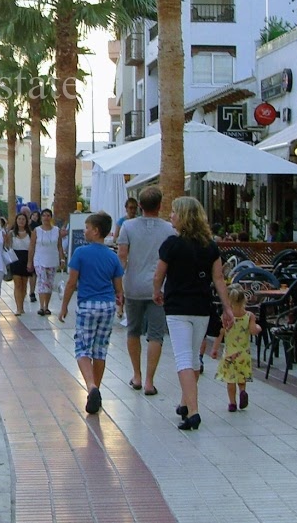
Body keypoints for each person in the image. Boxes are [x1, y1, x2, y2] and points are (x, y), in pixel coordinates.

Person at [153, 196, 234, 432]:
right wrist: (227, 307)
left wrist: (156, 291)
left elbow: (159, 274)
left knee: (183, 358)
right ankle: (184, 403)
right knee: (194, 357)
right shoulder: (210, 246)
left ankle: (194, 411)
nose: (171, 216)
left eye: (174, 212)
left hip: (178, 307)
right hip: (202, 307)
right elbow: (218, 279)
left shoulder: (171, 244)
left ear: (184, 216)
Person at [58, 211, 125, 414]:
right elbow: (118, 287)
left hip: (87, 305)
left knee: (82, 349)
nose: (84, 231)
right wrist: (119, 303)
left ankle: (91, 386)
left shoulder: (80, 253)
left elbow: (71, 283)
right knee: (100, 350)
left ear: (96, 231)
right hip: (107, 306)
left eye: (87, 228)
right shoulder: (112, 256)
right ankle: (97, 388)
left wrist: (64, 306)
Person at [116, 185, 173, 396]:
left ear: (139, 205)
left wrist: (118, 285)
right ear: (160, 205)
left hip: (133, 286)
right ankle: (150, 381)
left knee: (133, 330)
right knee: (156, 334)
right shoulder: (169, 229)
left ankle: (137, 375)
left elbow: (122, 257)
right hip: (159, 288)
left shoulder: (128, 227)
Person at [211, 284, 262, 412]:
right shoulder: (249, 316)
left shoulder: (226, 317)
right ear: (244, 299)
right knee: (242, 377)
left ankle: (232, 403)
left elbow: (220, 334)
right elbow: (252, 330)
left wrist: (214, 349)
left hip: (229, 354)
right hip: (244, 354)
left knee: (230, 380)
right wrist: (259, 328)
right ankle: (243, 391)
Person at [30, 208, 66, 316]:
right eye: (44, 215)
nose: (46, 217)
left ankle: (47, 306)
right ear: (41, 218)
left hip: (52, 259)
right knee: (42, 281)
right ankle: (41, 306)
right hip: (39, 259)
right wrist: (29, 261)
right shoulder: (37, 230)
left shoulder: (56, 230)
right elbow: (32, 246)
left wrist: (62, 259)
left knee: (49, 283)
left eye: (48, 215)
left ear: (51, 217)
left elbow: (59, 246)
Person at [9, 211, 34, 315]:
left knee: (24, 284)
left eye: (23, 219)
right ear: (16, 220)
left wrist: (30, 261)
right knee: (17, 283)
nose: (21, 221)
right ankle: (18, 308)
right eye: (19, 219)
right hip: (15, 258)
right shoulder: (11, 233)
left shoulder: (31, 233)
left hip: (26, 258)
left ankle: (22, 304)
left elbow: (32, 248)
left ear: (26, 221)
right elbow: (8, 247)